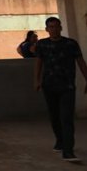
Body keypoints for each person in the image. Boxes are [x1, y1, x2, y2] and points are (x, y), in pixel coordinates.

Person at [34, 16, 87, 163]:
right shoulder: (42, 44)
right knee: (55, 116)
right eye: (51, 27)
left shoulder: (71, 44)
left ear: (61, 28)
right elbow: (38, 63)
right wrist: (36, 80)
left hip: (67, 86)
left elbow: (81, 62)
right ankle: (60, 141)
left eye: (57, 26)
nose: (54, 29)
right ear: (47, 29)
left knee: (67, 118)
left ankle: (68, 151)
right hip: (49, 86)